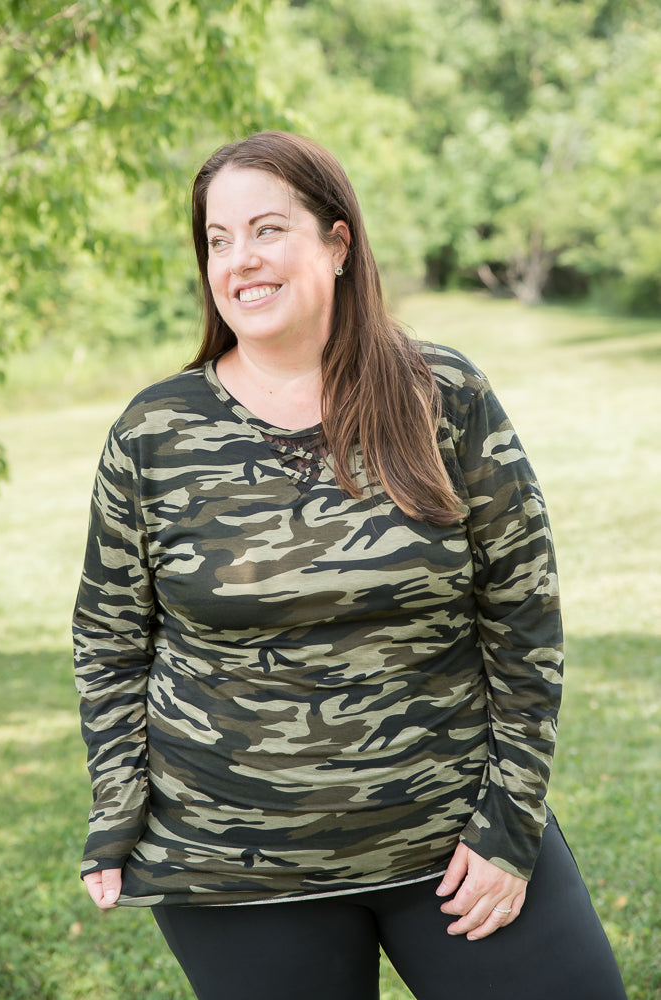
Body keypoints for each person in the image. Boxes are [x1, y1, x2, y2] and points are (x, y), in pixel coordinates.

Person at [73, 130, 628, 1000]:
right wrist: (117, 806)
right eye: (218, 240)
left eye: (267, 230)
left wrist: (509, 826)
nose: (239, 261)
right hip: (236, 865)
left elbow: (525, 621)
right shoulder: (154, 433)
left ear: (338, 243)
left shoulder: (445, 396)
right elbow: (108, 643)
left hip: (452, 842)